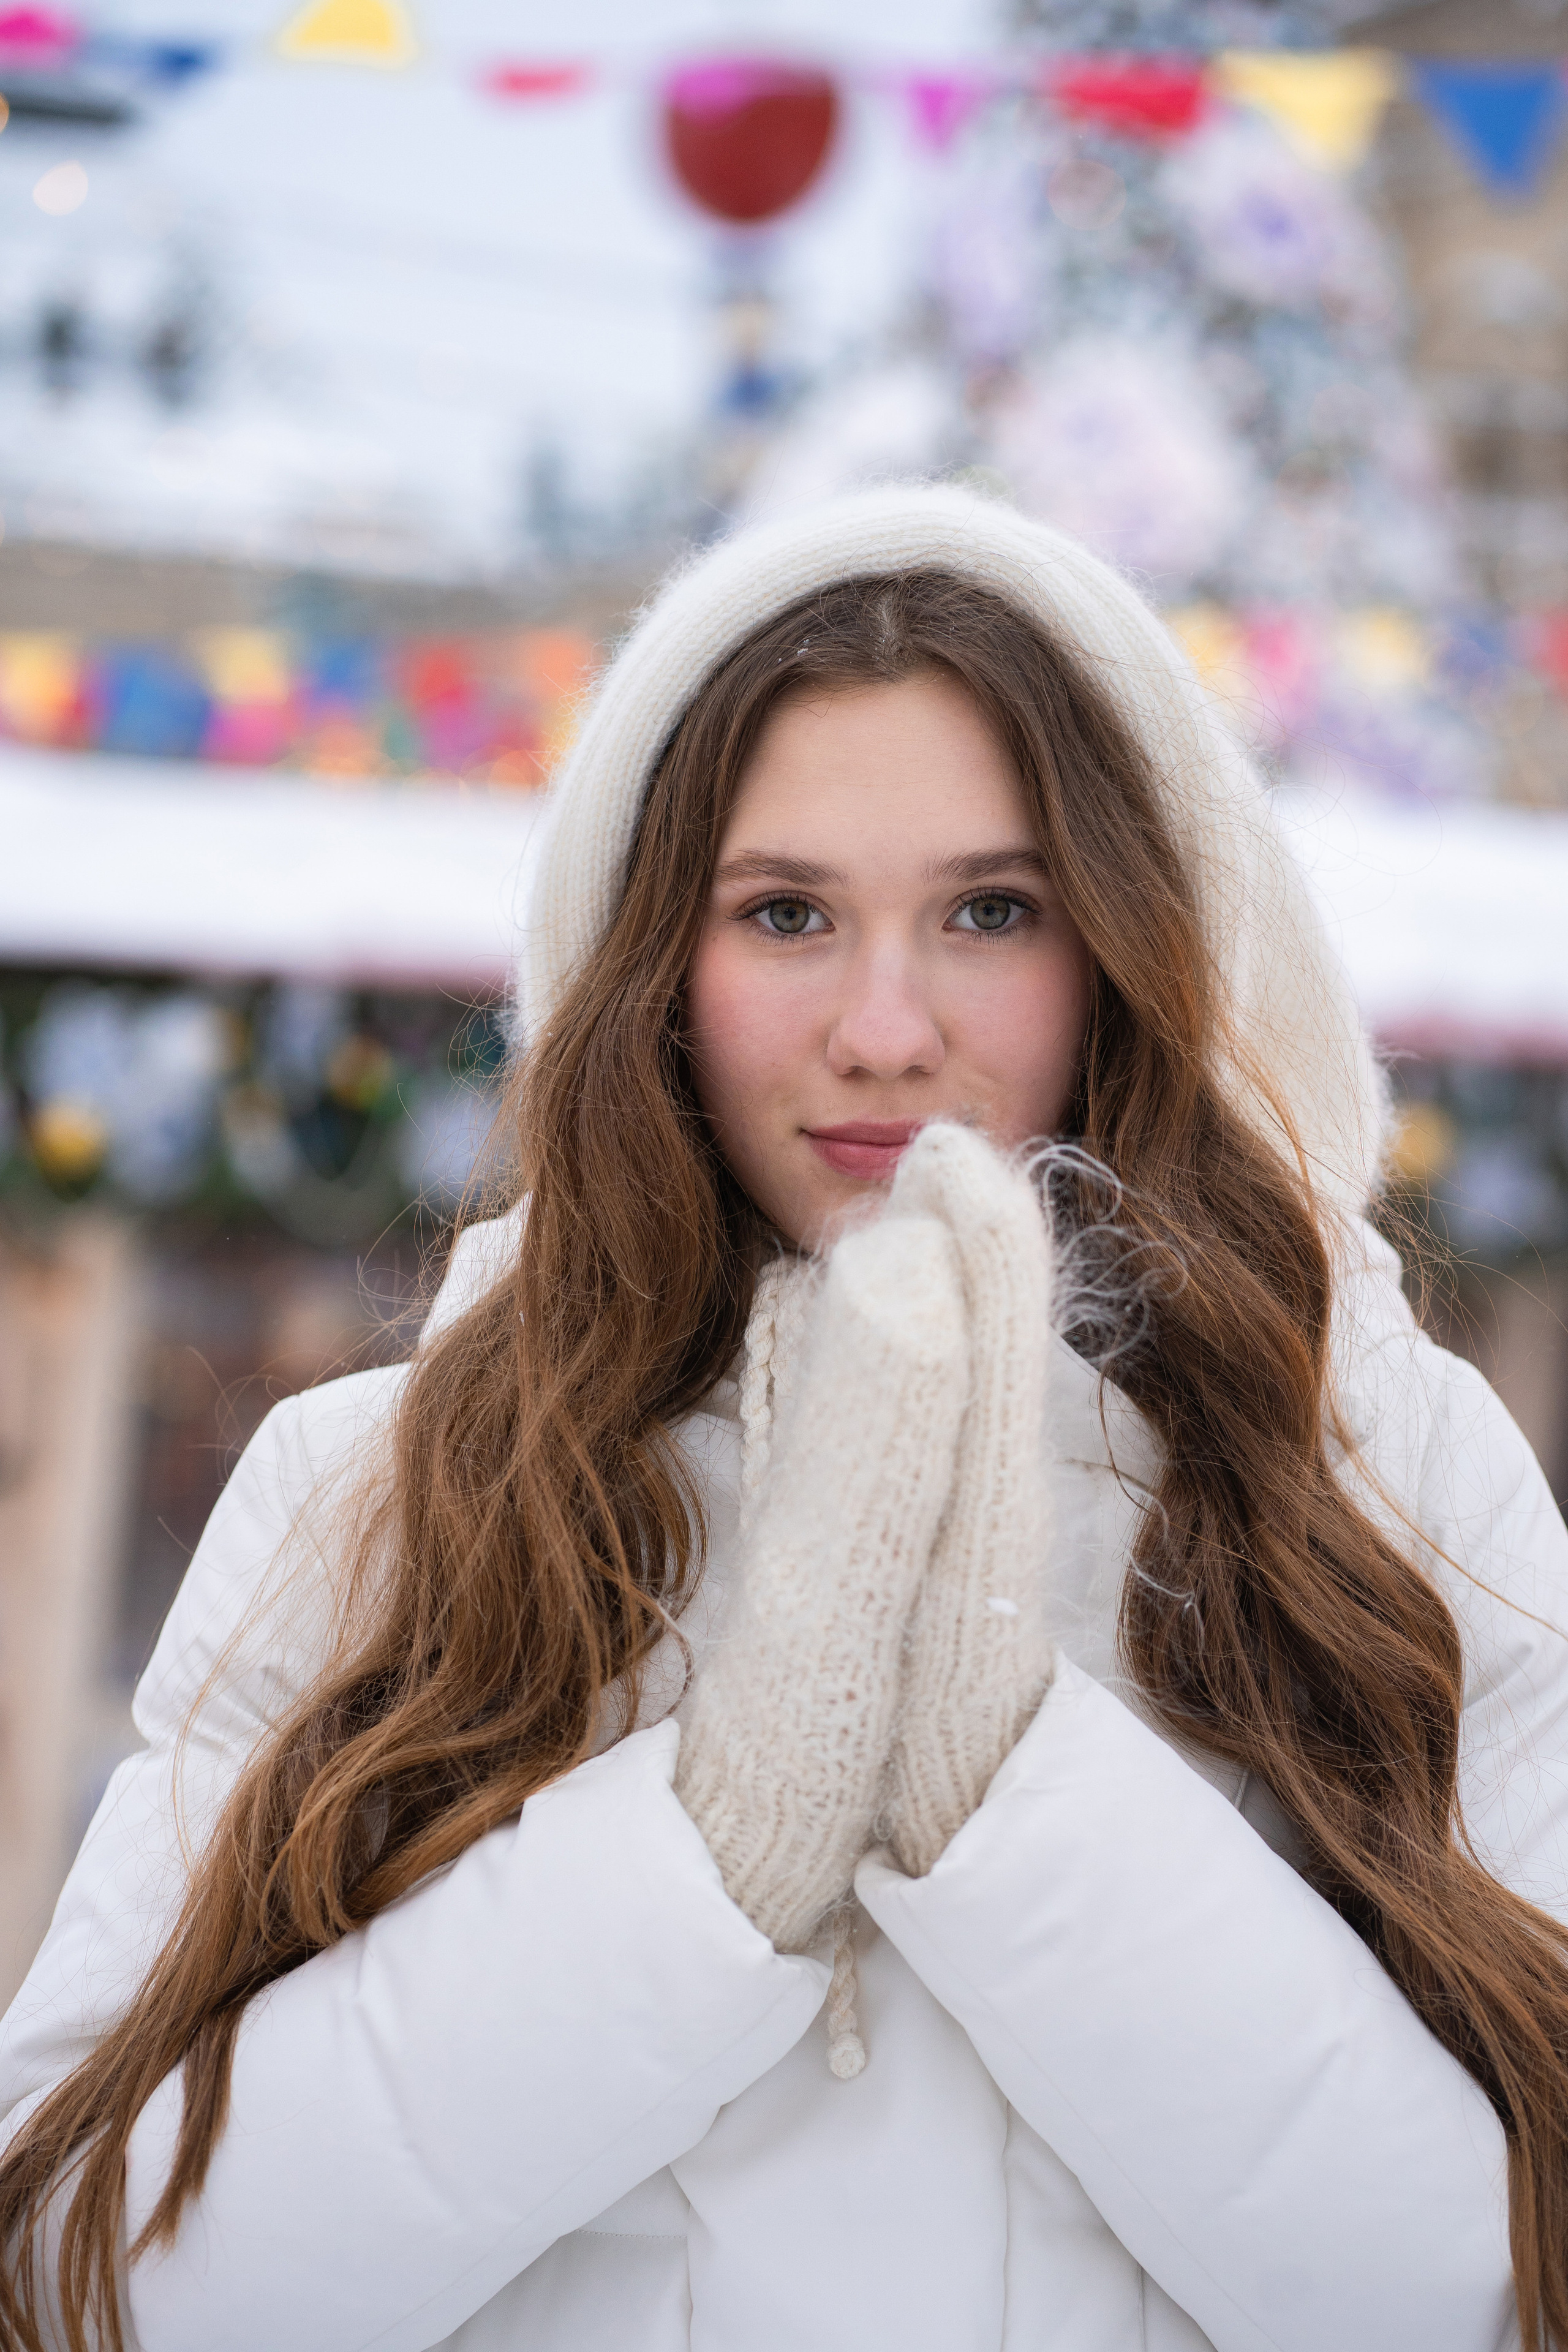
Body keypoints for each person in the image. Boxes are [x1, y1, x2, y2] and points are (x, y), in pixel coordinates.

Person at [3, 486, 1567, 2352]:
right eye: (786, 913)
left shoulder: (1392, 1485)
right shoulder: (381, 1488)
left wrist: (1013, 1795)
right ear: (654, 962)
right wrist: (708, 1853)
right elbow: (88, 2280)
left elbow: (1504, 2294)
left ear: (1141, 944)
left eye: (994, 909)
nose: (885, 1027)